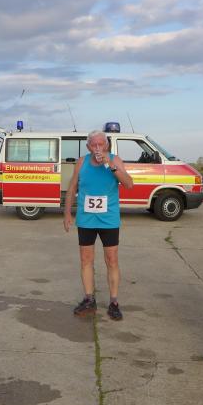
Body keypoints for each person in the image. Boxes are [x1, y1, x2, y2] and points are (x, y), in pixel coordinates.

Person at [63, 129, 134, 320]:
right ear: (88, 147)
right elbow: (72, 188)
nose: (97, 148)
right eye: (93, 145)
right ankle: (89, 299)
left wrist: (110, 164)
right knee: (86, 260)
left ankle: (114, 302)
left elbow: (129, 184)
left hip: (108, 219)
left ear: (106, 145)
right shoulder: (82, 162)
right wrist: (67, 213)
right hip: (86, 219)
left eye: (100, 144)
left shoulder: (115, 160)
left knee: (112, 260)